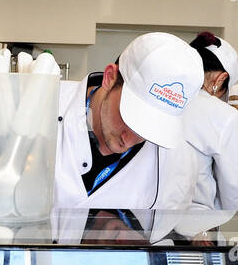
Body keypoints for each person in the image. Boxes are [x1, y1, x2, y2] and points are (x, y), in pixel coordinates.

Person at [54, 32, 203, 212]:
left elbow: (165, 229)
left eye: (151, 130)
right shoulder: (45, 105)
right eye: (130, 119)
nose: (129, 139)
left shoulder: (179, 160)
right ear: (109, 78)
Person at [182, 32, 238, 211]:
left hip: (144, 219)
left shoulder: (166, 99)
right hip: (196, 224)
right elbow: (233, 188)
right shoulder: (225, 116)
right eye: (223, 90)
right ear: (220, 79)